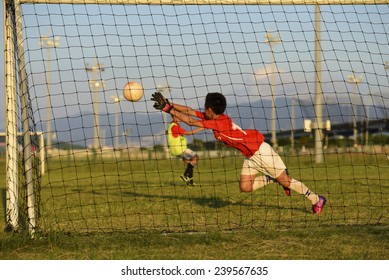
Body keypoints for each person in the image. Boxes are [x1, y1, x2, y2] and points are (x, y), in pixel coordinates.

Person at [152, 91, 327, 214]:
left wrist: (168, 110)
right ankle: (270, 178)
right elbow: (190, 111)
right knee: (245, 187)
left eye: (205, 108)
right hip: (251, 155)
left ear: (210, 111)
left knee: (286, 181)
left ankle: (316, 199)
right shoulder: (214, 117)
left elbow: (190, 121)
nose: (203, 111)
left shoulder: (219, 123)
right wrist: (169, 103)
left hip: (261, 151)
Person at [167, 114, 203, 186]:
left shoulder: (171, 125)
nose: (178, 119)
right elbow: (189, 133)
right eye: (176, 117)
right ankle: (184, 175)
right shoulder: (175, 127)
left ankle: (190, 182)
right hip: (180, 149)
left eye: (179, 117)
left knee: (190, 164)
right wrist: (203, 127)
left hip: (176, 150)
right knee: (195, 158)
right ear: (172, 117)